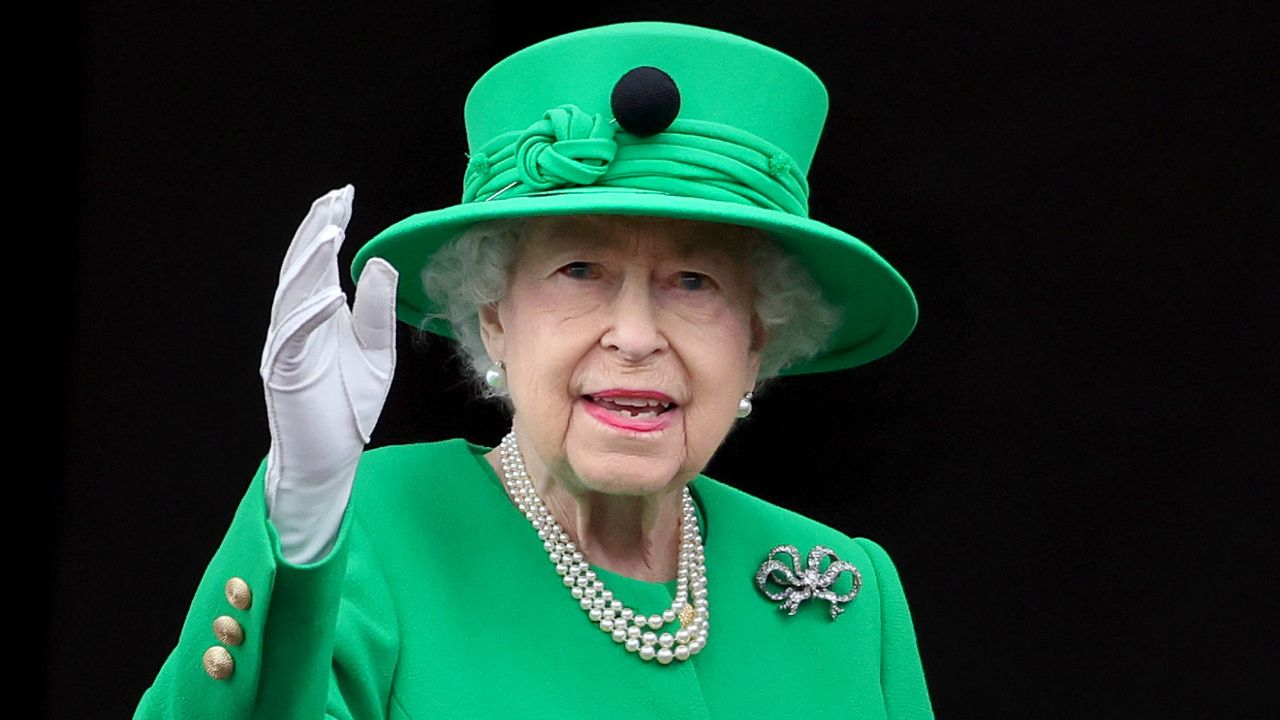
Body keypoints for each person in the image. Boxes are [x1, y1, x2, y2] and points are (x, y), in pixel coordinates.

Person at [134, 20, 933, 719]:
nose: (634, 335)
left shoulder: (846, 594)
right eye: (579, 270)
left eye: (694, 282)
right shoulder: (367, 534)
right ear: (493, 319)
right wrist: (303, 525)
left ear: (757, 342)